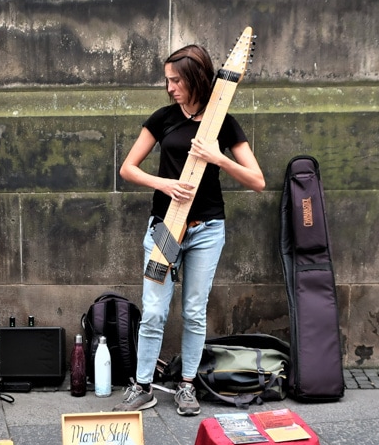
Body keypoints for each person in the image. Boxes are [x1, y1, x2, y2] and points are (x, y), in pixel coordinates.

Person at [113, 44, 265, 416]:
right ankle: (143, 384)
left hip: (207, 230)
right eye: (167, 80)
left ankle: (186, 387)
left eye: (175, 80)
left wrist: (218, 158)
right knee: (153, 311)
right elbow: (128, 169)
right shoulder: (163, 118)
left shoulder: (223, 122)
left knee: (195, 311)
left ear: (196, 79)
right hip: (165, 228)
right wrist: (164, 184)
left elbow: (258, 180)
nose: (169, 87)